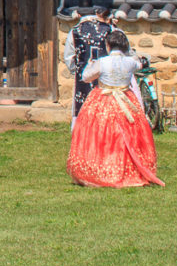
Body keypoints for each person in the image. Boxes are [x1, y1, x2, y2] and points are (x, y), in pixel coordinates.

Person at [67, 29, 164, 189]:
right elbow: (141, 64)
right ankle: (128, 168)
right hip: (126, 100)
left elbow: (85, 77)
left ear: (108, 45)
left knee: (101, 136)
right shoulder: (130, 62)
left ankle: (100, 170)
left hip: (103, 99)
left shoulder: (102, 62)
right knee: (127, 136)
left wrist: (91, 64)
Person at [63, 5, 114, 128]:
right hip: (105, 72)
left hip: (83, 71)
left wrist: (75, 70)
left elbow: (69, 56)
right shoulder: (108, 28)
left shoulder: (75, 30)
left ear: (79, 15)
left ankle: (83, 129)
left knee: (83, 101)